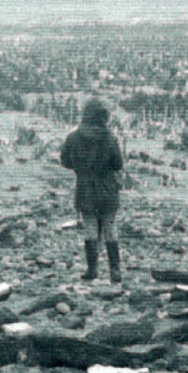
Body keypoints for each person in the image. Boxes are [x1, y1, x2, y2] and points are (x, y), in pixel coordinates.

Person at [60, 99, 124, 283]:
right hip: (107, 189)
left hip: (85, 189)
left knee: (90, 229)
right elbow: (118, 164)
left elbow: (64, 161)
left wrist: (80, 169)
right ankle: (115, 271)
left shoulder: (73, 137)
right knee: (110, 229)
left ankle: (92, 269)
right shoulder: (110, 137)